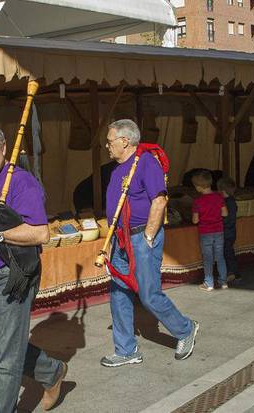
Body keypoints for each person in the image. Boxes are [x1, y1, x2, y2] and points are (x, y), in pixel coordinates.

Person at [0, 124, 67, 412]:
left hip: (14, 274)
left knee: (6, 359)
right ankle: (51, 372)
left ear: (3, 148)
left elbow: (40, 234)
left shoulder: (21, 182)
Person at [100, 119, 199, 367]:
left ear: (125, 141)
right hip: (120, 238)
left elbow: (159, 200)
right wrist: (111, 241)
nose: (106, 146)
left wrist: (148, 236)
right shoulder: (116, 170)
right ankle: (126, 350)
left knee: (148, 295)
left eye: (110, 141)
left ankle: (185, 329)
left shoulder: (145, 163)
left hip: (142, 235)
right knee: (119, 292)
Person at [192, 170, 228, 291]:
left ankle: (209, 283)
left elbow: (195, 221)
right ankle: (223, 282)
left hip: (205, 232)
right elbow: (225, 213)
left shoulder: (197, 201)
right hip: (219, 231)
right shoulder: (219, 197)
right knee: (220, 257)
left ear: (198, 187)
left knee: (208, 258)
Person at [217, 177, 241, 283]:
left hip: (227, 232)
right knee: (228, 252)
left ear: (222, 190)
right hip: (230, 232)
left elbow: (228, 219)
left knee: (227, 253)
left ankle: (232, 273)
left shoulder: (228, 203)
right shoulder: (230, 201)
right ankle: (233, 273)